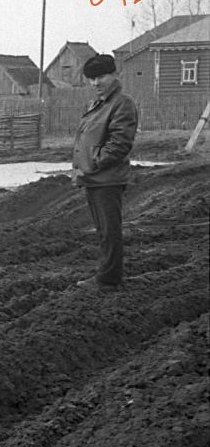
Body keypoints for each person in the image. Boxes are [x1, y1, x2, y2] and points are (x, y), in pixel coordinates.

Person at [71, 53, 138, 293]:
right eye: (91, 78)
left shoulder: (122, 103)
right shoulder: (98, 104)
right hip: (93, 178)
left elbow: (120, 143)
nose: (96, 83)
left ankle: (109, 280)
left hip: (107, 178)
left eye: (101, 76)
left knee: (110, 231)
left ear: (114, 75)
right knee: (103, 231)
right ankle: (107, 276)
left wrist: (94, 164)